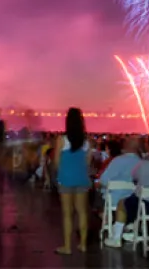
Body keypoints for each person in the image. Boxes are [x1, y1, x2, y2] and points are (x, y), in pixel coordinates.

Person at [105, 139, 149, 248]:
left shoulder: (143, 165)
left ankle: (116, 237)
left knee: (122, 205)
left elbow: (134, 176)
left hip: (144, 204)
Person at [55, 107, 91, 255]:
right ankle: (82, 244)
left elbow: (56, 161)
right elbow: (88, 163)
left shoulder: (61, 140)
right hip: (82, 179)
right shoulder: (86, 142)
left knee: (67, 214)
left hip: (65, 179)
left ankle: (67, 246)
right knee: (82, 212)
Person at [97, 138, 140, 208]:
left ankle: (102, 215)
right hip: (134, 199)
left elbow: (103, 181)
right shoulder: (141, 162)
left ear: (124, 147)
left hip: (114, 198)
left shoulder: (118, 160)